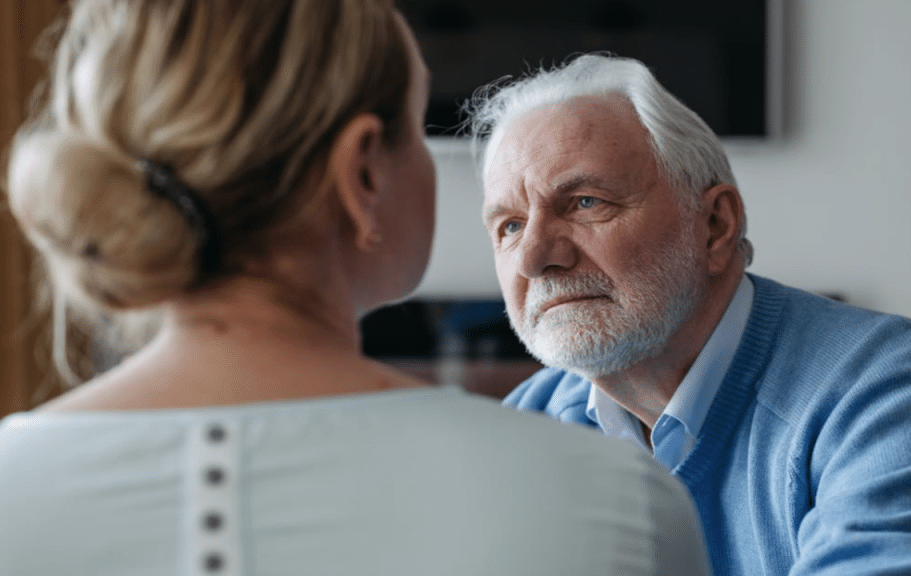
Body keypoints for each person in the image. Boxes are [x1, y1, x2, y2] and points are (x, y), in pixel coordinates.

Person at [0, 5, 712, 575]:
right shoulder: (613, 504)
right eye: (419, 125)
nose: (532, 252)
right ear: (363, 173)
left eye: (585, 203)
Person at [465, 53, 911, 575]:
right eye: (509, 226)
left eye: (586, 202)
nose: (534, 258)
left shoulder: (899, 403)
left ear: (715, 225)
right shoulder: (530, 426)